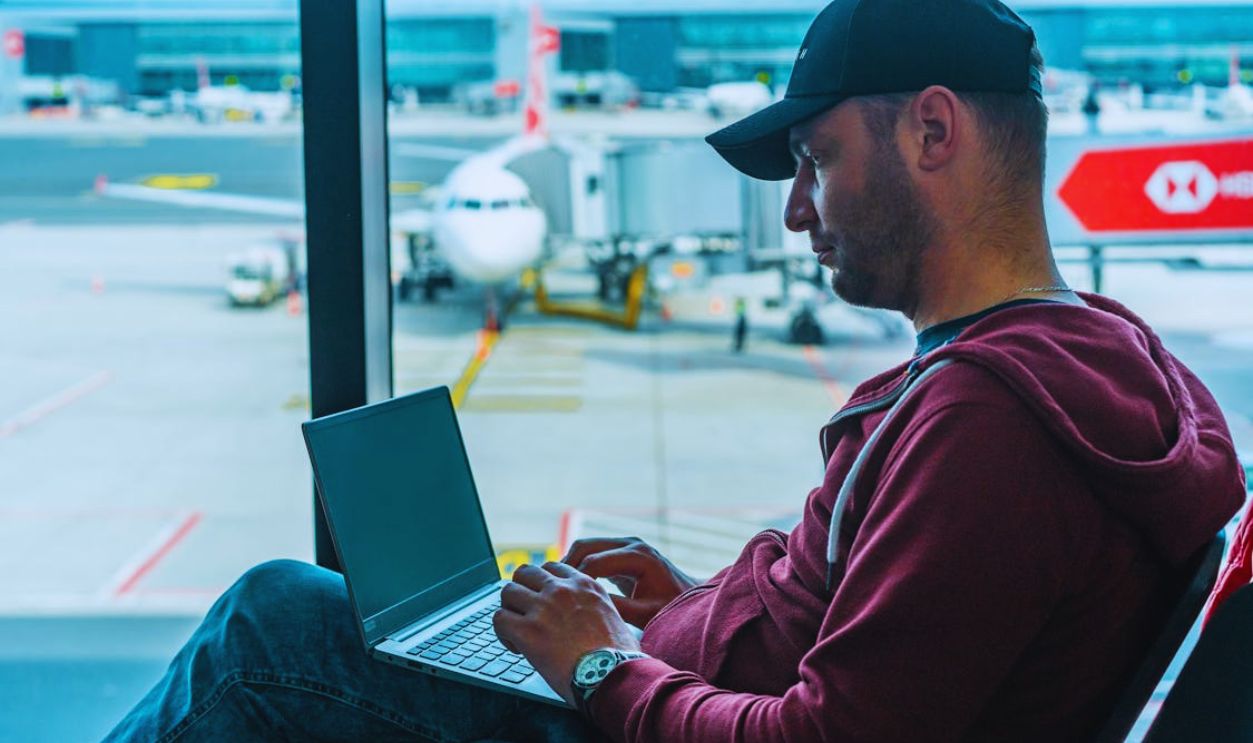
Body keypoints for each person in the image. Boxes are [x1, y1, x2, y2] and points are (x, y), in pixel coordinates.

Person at [104, 1, 1247, 741]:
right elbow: (881, 641)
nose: (795, 211)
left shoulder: (988, 421)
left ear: (932, 134)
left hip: (634, 722)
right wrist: (692, 605)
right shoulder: (1105, 350)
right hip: (677, 682)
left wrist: (599, 667)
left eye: (813, 162)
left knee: (269, 626)